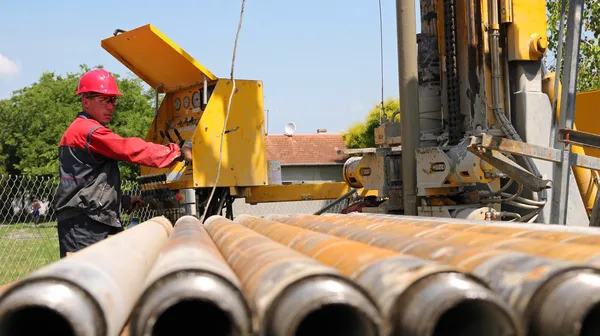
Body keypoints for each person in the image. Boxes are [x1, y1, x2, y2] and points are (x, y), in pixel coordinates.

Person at [53, 68, 192, 258]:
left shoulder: (83, 130)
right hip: (84, 224)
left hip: (87, 219)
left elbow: (87, 182)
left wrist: (123, 200)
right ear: (85, 101)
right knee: (88, 280)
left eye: (113, 100)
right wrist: (176, 152)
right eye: (104, 100)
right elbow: (128, 148)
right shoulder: (88, 131)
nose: (111, 106)